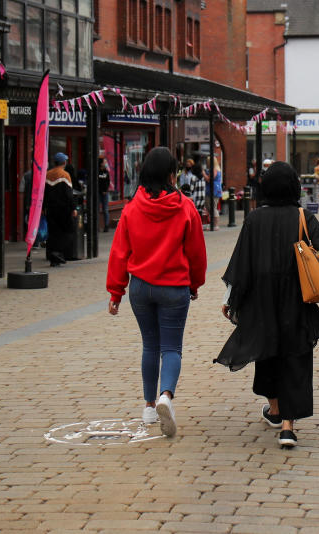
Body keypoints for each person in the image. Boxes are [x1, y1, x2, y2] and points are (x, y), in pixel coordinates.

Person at [215, 162, 319, 448]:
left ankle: (276, 409)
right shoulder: (302, 216)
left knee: (267, 352)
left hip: (262, 301)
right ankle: (288, 427)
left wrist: (229, 300)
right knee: (295, 357)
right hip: (297, 299)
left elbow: (241, 263)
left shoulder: (254, 219)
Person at [106, 146, 207, 438]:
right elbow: (196, 251)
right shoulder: (185, 206)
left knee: (150, 345)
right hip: (174, 286)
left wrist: (116, 291)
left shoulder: (131, 208)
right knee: (171, 347)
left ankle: (149, 407)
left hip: (140, 286)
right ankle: (166, 396)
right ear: (171, 174)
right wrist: (195, 283)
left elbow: (119, 252)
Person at [44, 153, 78, 266]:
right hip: (64, 210)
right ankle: (57, 253)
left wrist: (44, 207)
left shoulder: (47, 175)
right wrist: (73, 208)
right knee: (69, 231)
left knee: (53, 233)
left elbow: (44, 194)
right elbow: (69, 194)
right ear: (64, 162)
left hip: (51, 209)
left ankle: (53, 258)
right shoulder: (65, 175)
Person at [97, 155, 112, 232]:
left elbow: (108, 181)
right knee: (97, 209)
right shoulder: (97, 171)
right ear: (101, 163)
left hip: (105, 193)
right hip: (99, 193)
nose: (105, 163)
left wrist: (105, 190)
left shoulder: (106, 171)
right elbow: (97, 182)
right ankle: (97, 226)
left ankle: (106, 226)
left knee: (105, 209)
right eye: (104, 161)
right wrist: (101, 190)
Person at [209, 156, 223, 227]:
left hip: (214, 190)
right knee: (214, 207)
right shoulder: (218, 169)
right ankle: (214, 224)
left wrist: (204, 174)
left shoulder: (214, 169)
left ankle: (215, 225)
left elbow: (210, 179)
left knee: (213, 207)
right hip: (216, 189)